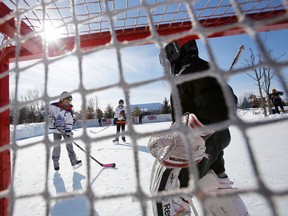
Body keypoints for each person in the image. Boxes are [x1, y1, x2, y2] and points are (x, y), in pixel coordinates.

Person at [149, 40, 249, 215]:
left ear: (175, 50)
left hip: (197, 148)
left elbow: (224, 107)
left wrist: (195, 130)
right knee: (217, 187)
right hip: (209, 147)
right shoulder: (192, 70)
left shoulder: (192, 70)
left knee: (166, 192)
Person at [41, 91, 82, 171]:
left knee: (69, 145)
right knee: (57, 146)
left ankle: (73, 161)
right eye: (66, 101)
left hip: (65, 129)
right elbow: (43, 110)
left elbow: (69, 122)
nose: (68, 103)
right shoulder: (53, 106)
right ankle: (55, 162)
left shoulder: (69, 110)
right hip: (56, 130)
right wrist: (49, 118)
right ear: (62, 100)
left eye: (69, 101)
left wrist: (68, 132)